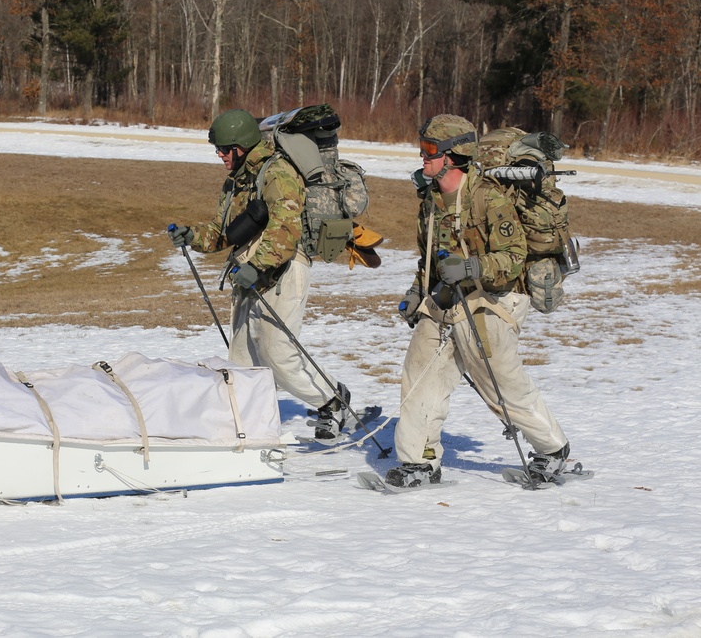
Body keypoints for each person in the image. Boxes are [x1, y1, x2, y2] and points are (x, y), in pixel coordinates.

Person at [387, 114, 570, 487]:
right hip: (446, 298)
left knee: (497, 381)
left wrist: (472, 267)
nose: (423, 157)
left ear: (453, 156)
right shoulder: (431, 200)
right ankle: (419, 461)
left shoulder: (489, 197)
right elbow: (430, 259)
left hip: (494, 298)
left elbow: (513, 258)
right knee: (420, 375)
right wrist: (417, 291)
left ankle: (552, 449)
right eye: (422, 149)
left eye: (430, 151)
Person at [168, 109, 349, 440]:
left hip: (284, 269)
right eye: (218, 149)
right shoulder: (238, 179)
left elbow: (286, 230)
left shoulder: (278, 173)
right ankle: (246, 423)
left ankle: (332, 399)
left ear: (241, 145)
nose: (220, 155)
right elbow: (226, 231)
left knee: (277, 353)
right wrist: (193, 236)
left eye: (224, 149)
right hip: (248, 272)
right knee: (240, 359)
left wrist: (256, 267)